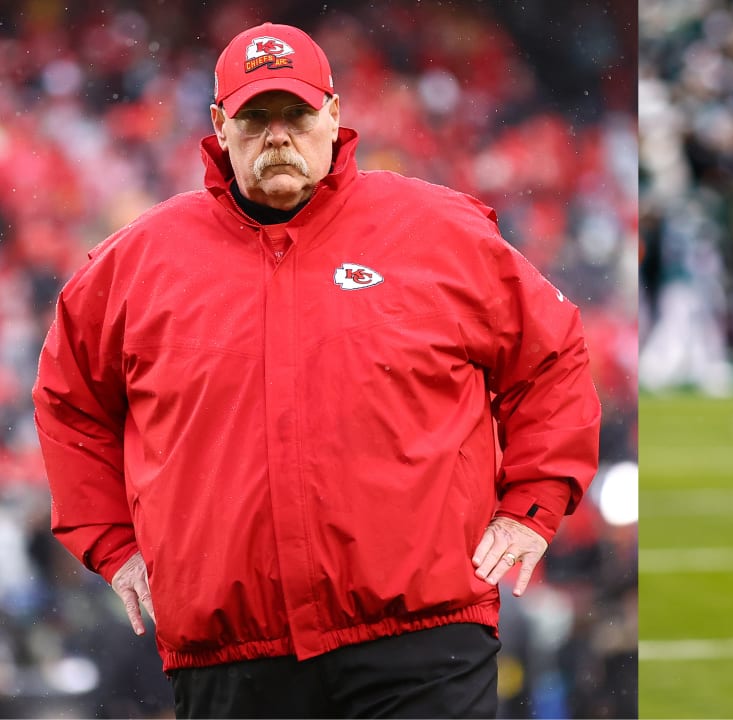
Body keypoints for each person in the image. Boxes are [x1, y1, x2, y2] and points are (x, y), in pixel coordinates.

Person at [33, 21, 601, 719]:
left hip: (422, 639)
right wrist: (115, 545)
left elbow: (550, 359)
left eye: (297, 114)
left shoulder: (439, 233)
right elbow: (68, 402)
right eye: (256, 117)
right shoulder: (136, 264)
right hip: (232, 655)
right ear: (219, 126)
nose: (279, 134)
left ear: (333, 115)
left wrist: (532, 506)